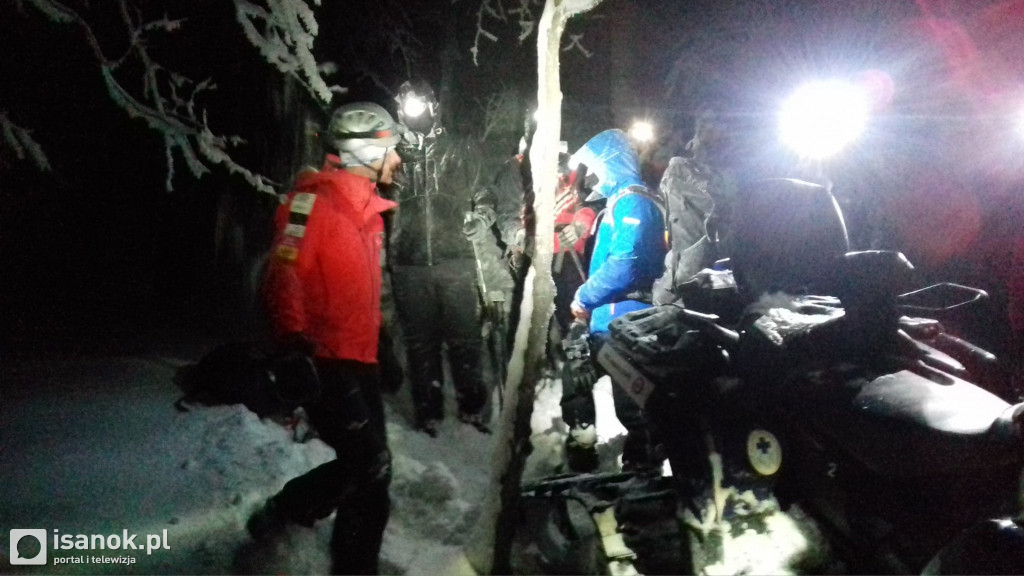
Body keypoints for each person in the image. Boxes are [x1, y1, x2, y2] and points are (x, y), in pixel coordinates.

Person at [248, 101, 402, 575]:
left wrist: (382, 343)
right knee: (370, 468)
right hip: (324, 361)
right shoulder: (310, 203)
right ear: (364, 154)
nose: (397, 161)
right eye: (391, 151)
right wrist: (293, 343)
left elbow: (358, 291)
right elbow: (283, 274)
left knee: (370, 465)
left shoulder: (369, 215)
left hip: (359, 358)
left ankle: (290, 509)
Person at [386, 79, 510, 436]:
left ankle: (472, 406)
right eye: (408, 106)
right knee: (419, 343)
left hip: (455, 259)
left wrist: (482, 217)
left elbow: (485, 192)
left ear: (433, 106)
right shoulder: (394, 155)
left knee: (464, 338)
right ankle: (429, 412)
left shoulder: (458, 149)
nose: (415, 112)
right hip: (408, 263)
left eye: (420, 105)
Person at [562, 129, 668, 472]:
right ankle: (582, 444)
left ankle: (645, 470)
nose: (588, 175)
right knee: (576, 368)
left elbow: (626, 263)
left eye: (593, 166)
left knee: (633, 404)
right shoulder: (619, 201)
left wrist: (584, 295)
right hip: (607, 320)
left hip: (629, 321)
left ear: (610, 162)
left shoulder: (634, 202)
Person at [652, 105, 738, 307]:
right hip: (725, 283)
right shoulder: (683, 170)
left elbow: (689, 250)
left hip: (706, 285)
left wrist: (666, 294)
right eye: (706, 127)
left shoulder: (681, 171)